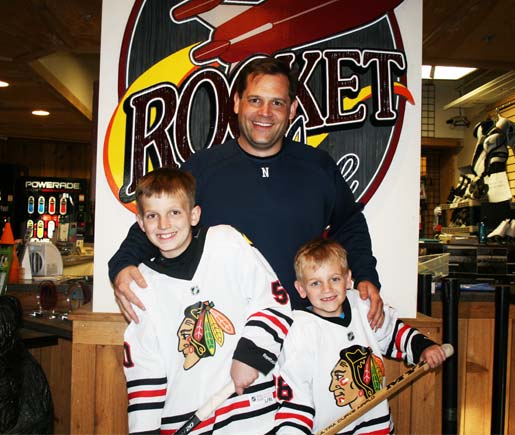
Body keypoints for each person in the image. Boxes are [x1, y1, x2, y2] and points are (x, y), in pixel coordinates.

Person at [109, 55, 384, 327]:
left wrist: (364, 275)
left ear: (292, 110)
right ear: (238, 103)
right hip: (226, 336)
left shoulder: (319, 167)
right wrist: (122, 264)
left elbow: (349, 226)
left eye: (277, 102)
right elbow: (161, 220)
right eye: (255, 100)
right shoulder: (203, 168)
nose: (265, 112)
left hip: (303, 330)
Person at [122, 168, 292, 434]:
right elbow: (144, 368)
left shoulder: (226, 243)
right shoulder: (141, 286)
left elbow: (273, 300)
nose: (164, 225)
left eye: (174, 212)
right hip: (186, 421)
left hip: (253, 415)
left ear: (194, 215)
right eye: (153, 216)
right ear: (141, 223)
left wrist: (251, 356)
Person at [273, 238, 448, 434]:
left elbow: (393, 332)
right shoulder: (300, 331)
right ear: (301, 289)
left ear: (348, 279)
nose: (327, 289)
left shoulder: (363, 306)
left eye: (335, 279)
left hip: (377, 428)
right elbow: (296, 395)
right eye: (315, 283)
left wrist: (423, 347)